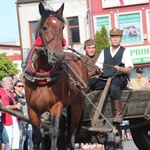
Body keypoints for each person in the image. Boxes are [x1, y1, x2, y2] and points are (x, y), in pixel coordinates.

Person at [89, 28, 134, 123]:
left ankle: (118, 114)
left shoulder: (125, 51)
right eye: (113, 37)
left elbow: (129, 70)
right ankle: (88, 109)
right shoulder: (104, 51)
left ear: (120, 39)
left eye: (117, 37)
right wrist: (99, 69)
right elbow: (98, 66)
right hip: (106, 78)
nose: (115, 39)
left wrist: (120, 68)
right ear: (110, 39)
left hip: (120, 78)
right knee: (89, 82)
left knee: (113, 86)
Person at [0, 77, 21, 150]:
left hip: (14, 116)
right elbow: (5, 106)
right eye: (8, 84)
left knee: (16, 135)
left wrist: (17, 105)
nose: (10, 85)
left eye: (10, 84)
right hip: (6, 116)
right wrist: (15, 106)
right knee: (9, 135)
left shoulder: (11, 93)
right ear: (3, 85)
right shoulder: (1, 92)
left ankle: (14, 148)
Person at [14, 80, 28, 150]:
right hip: (18, 119)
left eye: (22, 86)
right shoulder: (14, 95)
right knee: (19, 137)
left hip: (25, 119)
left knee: (24, 138)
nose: (21, 88)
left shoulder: (23, 96)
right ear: (15, 87)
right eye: (19, 86)